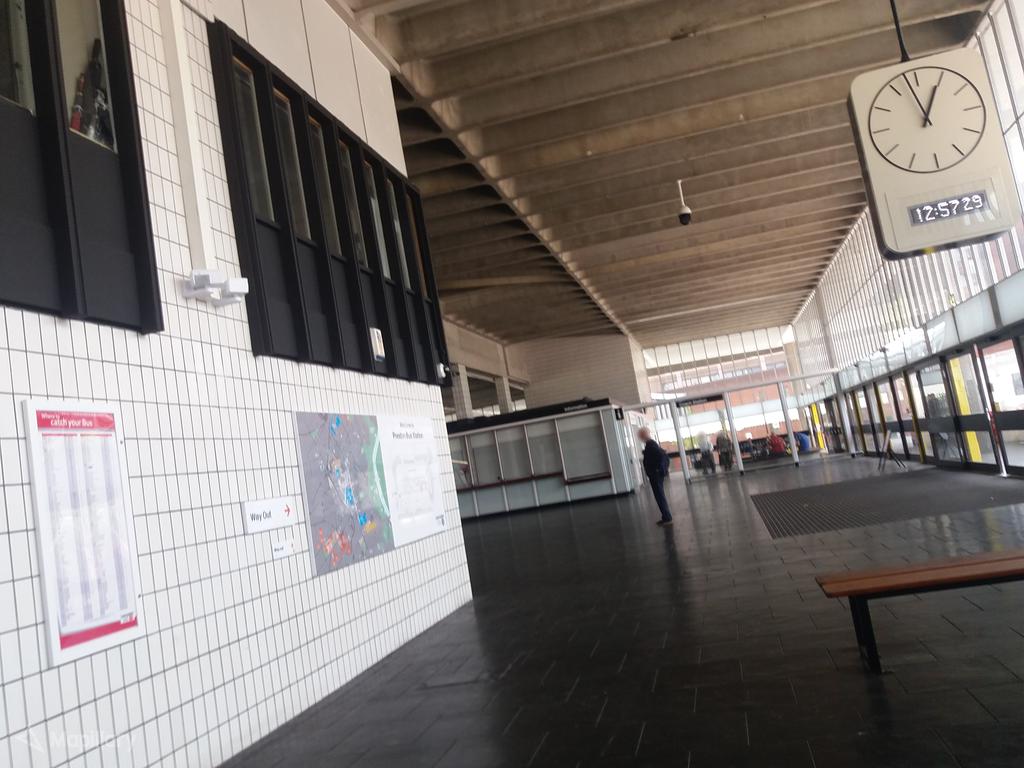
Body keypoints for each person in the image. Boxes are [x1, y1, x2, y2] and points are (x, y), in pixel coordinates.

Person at [638, 427, 672, 525]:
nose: (640, 437)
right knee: (659, 495)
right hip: (655, 474)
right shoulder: (651, 444)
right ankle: (666, 516)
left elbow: (661, 456)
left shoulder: (651, 445)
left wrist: (658, 470)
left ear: (644, 435)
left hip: (655, 475)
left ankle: (667, 517)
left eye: (640, 435)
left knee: (659, 496)